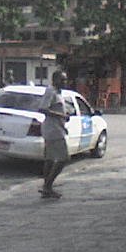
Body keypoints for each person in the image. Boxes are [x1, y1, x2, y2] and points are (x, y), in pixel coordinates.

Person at [38, 70, 70, 199]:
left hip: (57, 129)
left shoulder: (58, 93)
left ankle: (47, 188)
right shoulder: (50, 91)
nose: (65, 82)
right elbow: (43, 109)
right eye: (62, 79)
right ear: (55, 80)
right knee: (63, 159)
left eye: (65, 79)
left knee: (50, 160)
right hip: (53, 132)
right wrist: (62, 116)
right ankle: (47, 186)